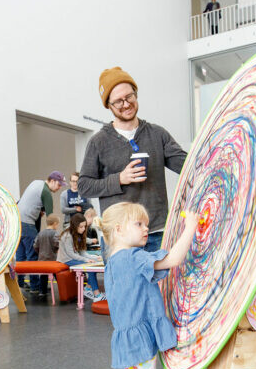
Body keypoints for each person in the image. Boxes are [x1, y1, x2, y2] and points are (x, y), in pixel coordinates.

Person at [100, 202, 200, 369]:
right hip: (141, 335)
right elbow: (174, 259)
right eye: (139, 224)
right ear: (120, 229)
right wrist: (191, 227)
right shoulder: (134, 258)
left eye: (146, 224)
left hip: (126, 333)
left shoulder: (113, 259)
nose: (146, 229)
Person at [78, 67, 188, 254]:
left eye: (129, 97)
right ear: (108, 105)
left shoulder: (157, 134)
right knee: (123, 284)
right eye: (118, 101)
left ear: (136, 95)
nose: (126, 104)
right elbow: (84, 186)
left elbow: (187, 165)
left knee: (160, 284)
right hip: (119, 237)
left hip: (156, 232)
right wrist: (119, 179)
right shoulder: (98, 142)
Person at [15, 172, 65, 293]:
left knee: (20, 257)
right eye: (59, 185)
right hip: (27, 223)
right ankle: (35, 287)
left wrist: (38, 212)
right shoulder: (46, 192)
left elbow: (23, 201)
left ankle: (18, 285)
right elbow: (50, 218)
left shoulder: (36, 182)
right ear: (52, 181)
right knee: (33, 256)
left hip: (16, 222)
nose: (59, 188)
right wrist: (54, 235)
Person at [59, 213, 103, 301]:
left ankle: (87, 289)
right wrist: (87, 260)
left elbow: (83, 253)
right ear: (75, 226)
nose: (83, 229)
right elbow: (71, 254)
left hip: (74, 258)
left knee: (94, 265)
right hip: (67, 259)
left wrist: (94, 258)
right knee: (90, 268)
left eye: (84, 226)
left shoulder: (79, 234)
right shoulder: (68, 236)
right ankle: (96, 295)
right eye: (81, 227)